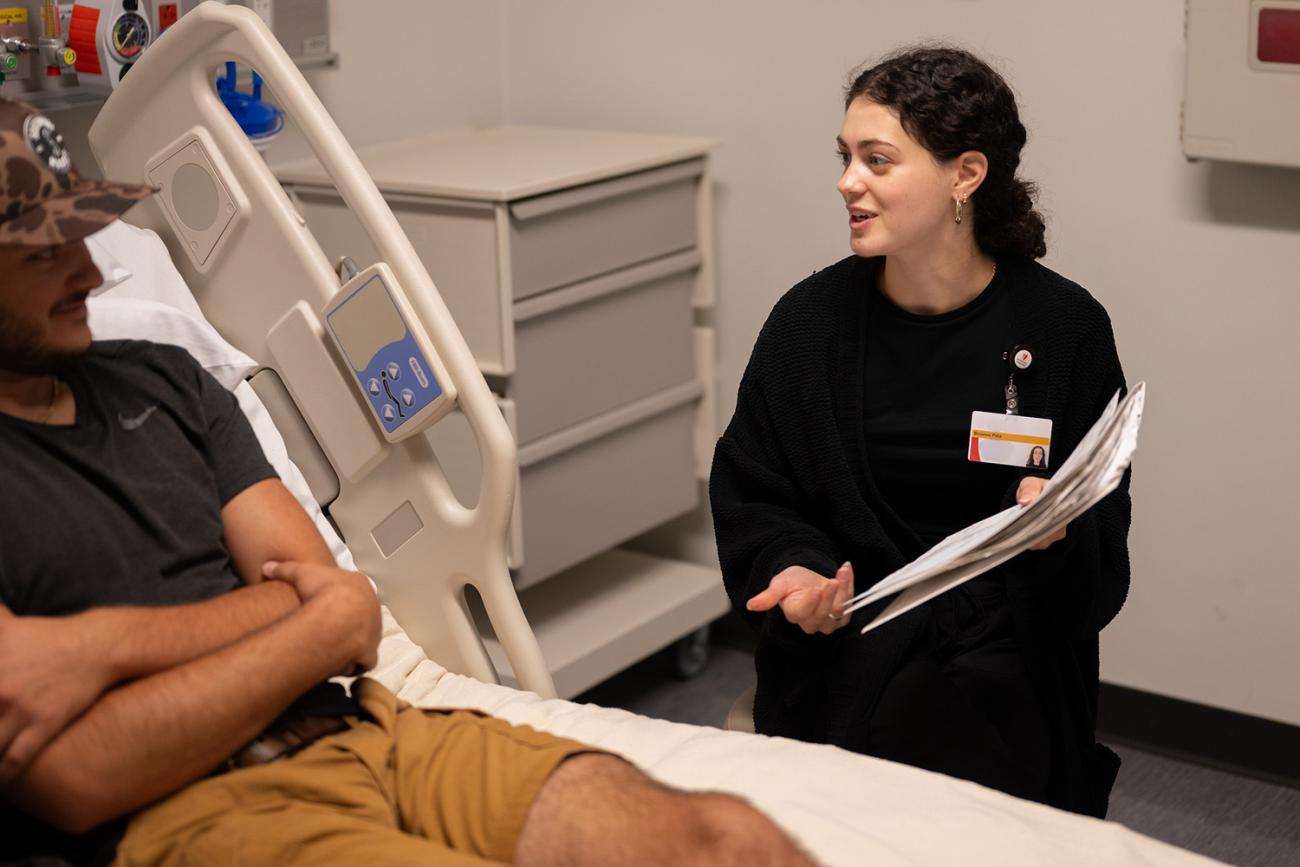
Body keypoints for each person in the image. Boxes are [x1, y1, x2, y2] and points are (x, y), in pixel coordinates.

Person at [0, 98, 817, 867]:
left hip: (368, 728)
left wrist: (90, 649)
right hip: (192, 811)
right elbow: (80, 781)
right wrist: (302, 623)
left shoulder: (168, 378)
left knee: (729, 840)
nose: (89, 272)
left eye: (87, 234)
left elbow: (346, 608)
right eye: (46, 253)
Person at [710, 46, 1130, 817]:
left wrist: (1055, 532)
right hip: (848, 643)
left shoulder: (1066, 331)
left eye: (877, 160)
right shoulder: (808, 329)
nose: (847, 182)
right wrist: (798, 571)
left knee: (968, 724)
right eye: (845, 157)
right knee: (911, 735)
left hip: (1011, 651)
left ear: (965, 176)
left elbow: (1101, 560)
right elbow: (756, 491)